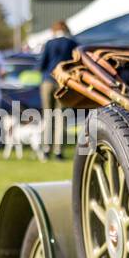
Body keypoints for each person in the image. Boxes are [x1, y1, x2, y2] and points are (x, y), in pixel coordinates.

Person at [38, 21, 77, 157]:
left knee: (48, 115)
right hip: (63, 83)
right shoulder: (72, 43)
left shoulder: (50, 43)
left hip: (48, 81)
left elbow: (42, 64)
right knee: (61, 117)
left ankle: (46, 149)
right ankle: (58, 150)